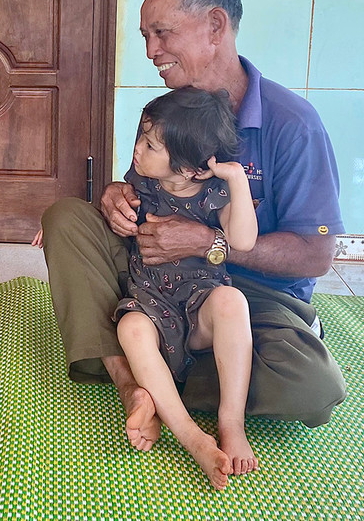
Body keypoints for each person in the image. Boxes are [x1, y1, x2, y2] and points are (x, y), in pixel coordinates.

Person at [36, 0, 346, 444]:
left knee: (312, 387)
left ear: (215, 27)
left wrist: (209, 243)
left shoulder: (294, 125)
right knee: (66, 219)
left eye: (161, 32)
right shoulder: (165, 111)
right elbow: (145, 192)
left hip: (247, 295)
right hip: (156, 279)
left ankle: (143, 367)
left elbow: (316, 254)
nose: (150, 51)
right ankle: (131, 382)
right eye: (145, 36)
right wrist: (117, 197)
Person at [114, 87, 258, 489]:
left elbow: (243, 241)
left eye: (150, 144)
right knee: (130, 328)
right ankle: (191, 436)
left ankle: (232, 422)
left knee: (232, 301)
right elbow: (114, 205)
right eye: (141, 137)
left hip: (200, 304)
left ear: (192, 169)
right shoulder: (142, 181)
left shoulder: (217, 192)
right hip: (150, 300)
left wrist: (238, 181)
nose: (137, 149)